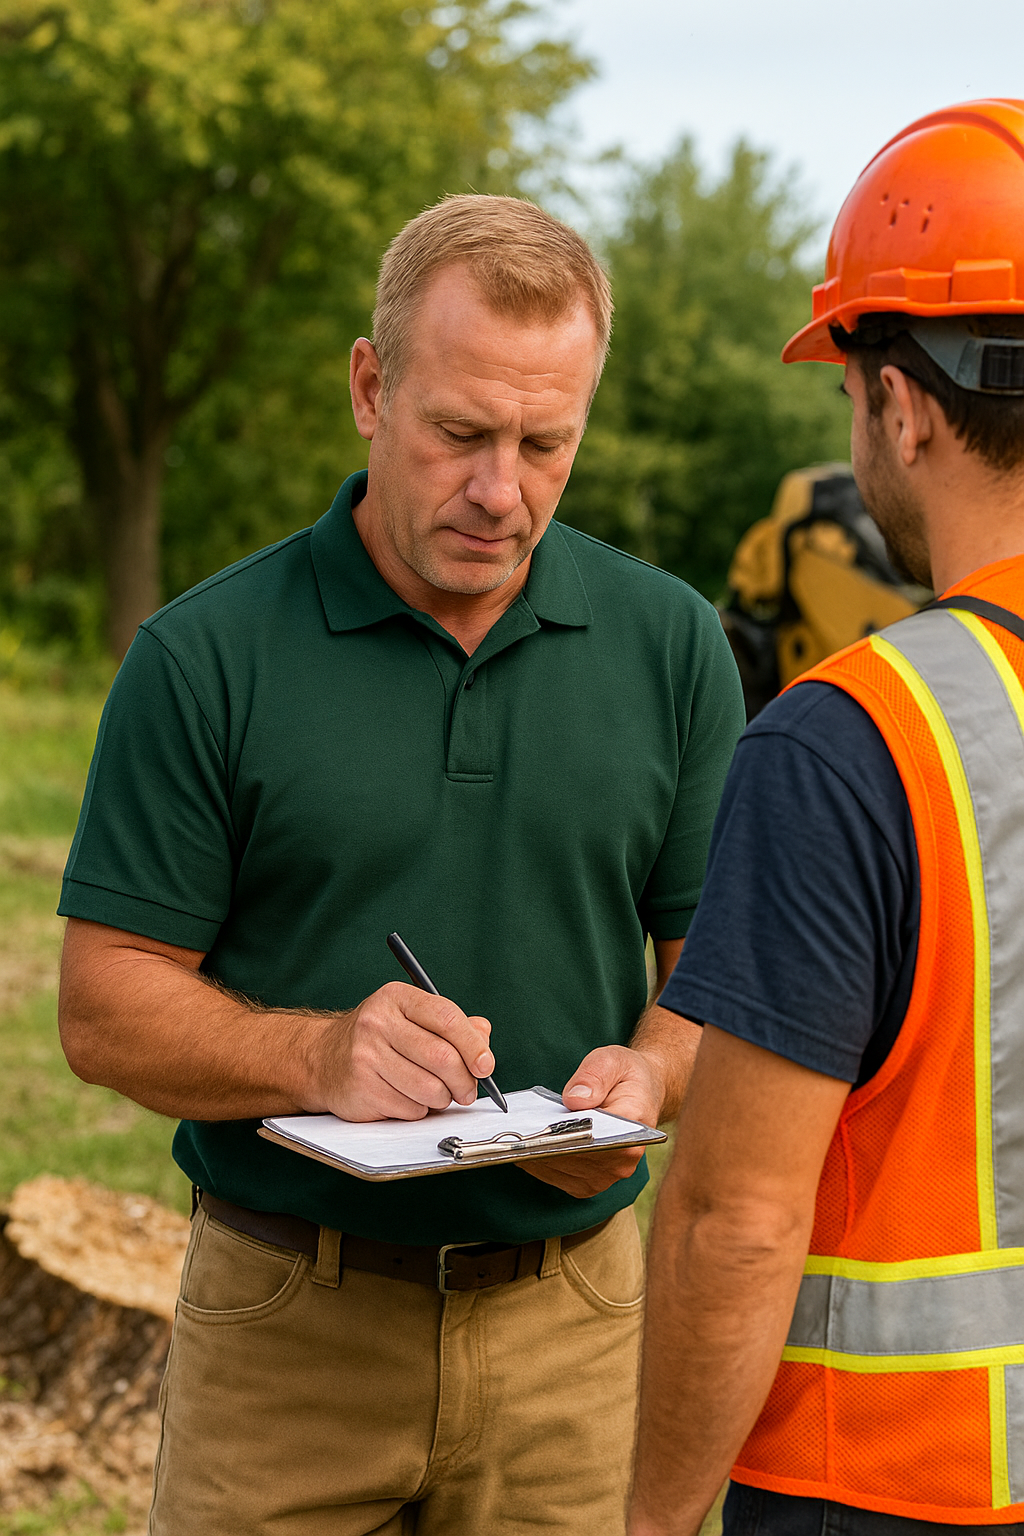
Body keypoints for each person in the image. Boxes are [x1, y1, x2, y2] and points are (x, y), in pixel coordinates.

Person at [56, 193, 744, 1535]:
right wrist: (313, 1058)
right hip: (285, 1330)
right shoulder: (205, 659)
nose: (504, 491)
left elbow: (711, 975)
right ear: (373, 389)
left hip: (579, 1328)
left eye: (549, 444)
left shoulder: (673, 647)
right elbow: (101, 1007)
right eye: (461, 434)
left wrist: (654, 1071)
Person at [628, 99, 1024, 1536]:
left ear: (902, 404)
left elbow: (736, 1218)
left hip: (883, 1485)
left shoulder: (851, 739)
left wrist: (656, 1519)